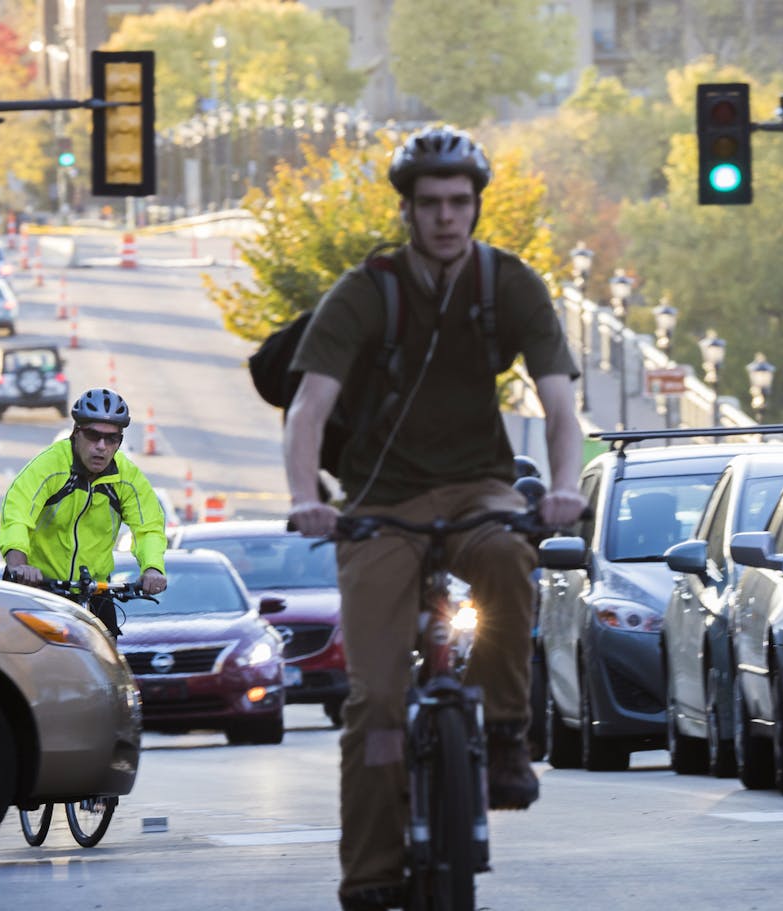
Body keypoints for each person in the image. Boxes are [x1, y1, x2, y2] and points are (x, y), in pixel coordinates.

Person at [283, 125, 587, 911]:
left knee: (512, 553)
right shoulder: (368, 290)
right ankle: (371, 871)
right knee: (376, 702)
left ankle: (509, 736)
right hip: (380, 501)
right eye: (430, 204)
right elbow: (309, 406)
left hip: (478, 485)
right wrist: (305, 501)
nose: (446, 217)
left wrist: (563, 489)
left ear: (477, 207)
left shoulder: (507, 284)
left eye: (460, 202)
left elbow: (559, 403)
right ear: (408, 210)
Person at [0, 387, 167, 596]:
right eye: (93, 435)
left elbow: (149, 527)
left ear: (119, 442)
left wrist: (152, 568)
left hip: (94, 590)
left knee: (107, 630)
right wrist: (19, 565)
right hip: (38, 587)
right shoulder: (51, 464)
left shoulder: (127, 477)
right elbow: (17, 513)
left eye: (111, 439)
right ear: (76, 433)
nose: (101, 446)